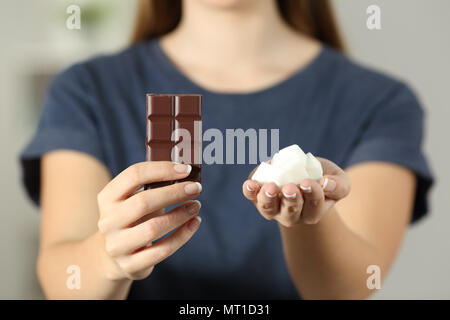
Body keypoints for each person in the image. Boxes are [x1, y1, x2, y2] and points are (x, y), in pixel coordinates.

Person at [20, 0, 433, 299]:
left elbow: (348, 289)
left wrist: (309, 216)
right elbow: (65, 282)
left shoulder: (379, 101)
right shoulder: (86, 91)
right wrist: (108, 258)